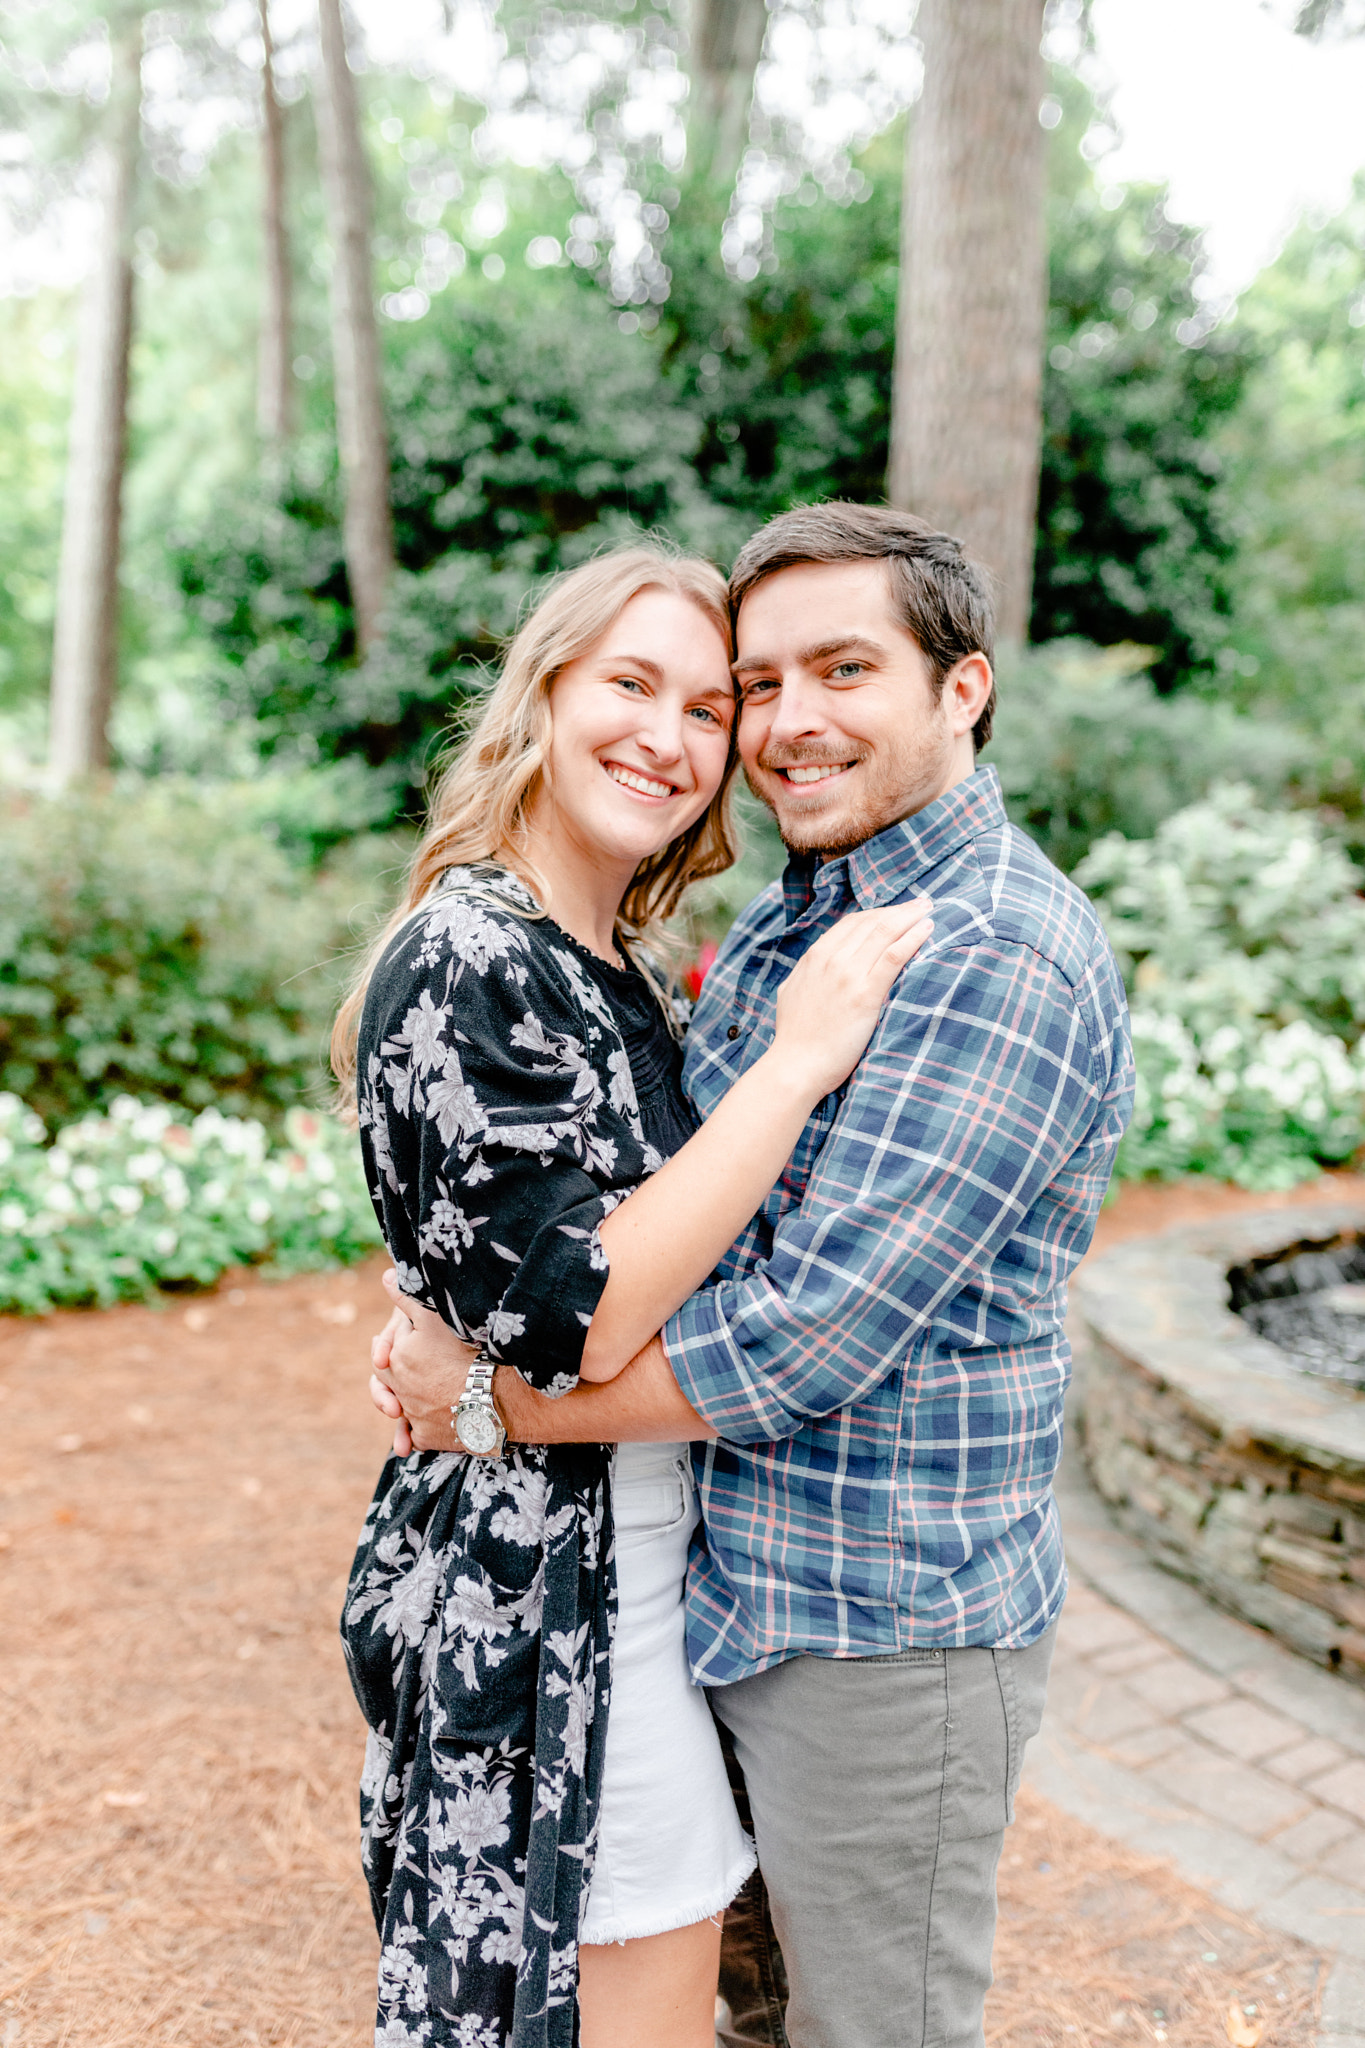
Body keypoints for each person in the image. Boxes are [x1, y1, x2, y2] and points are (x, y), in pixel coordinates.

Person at [370, 503, 1137, 2048]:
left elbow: (801, 1337)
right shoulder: (800, 918)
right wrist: (463, 1296)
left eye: (840, 669)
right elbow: (601, 1220)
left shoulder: (993, 953)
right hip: (717, 1596)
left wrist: (490, 1406)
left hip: (879, 1633)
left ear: (960, 688)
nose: (785, 725)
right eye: (757, 685)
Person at [332, 539, 933, 2048]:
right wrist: (799, 1059)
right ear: (540, 698)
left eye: (703, 707)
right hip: (547, 1599)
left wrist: (461, 1371)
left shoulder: (615, 969)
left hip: (641, 1572)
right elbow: (577, 1305)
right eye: (628, 685)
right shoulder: (473, 953)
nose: (667, 737)